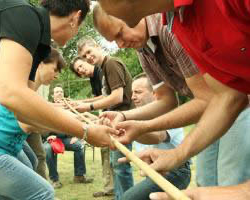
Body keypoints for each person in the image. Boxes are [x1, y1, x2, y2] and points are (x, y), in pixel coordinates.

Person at [0, 0, 117, 199]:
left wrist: (86, 123)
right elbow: (11, 93)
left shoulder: (38, 46)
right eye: (79, 26)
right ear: (74, 17)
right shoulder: (24, 16)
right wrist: (85, 131)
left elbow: (26, 111)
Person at [96, 1, 250, 198]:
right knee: (206, 182)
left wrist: (243, 192)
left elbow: (213, 98)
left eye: (120, 32)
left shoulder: (170, 31)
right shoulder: (174, 26)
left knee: (231, 179)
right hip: (220, 109)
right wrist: (126, 117)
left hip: (236, 109)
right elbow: (223, 96)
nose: (120, 44)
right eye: (113, 40)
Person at [0, 48, 65, 200]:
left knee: (31, 165)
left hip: (1, 153)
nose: (57, 75)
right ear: (40, 64)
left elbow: (48, 111)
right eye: (55, 69)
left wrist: (85, 116)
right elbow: (41, 125)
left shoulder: (30, 94)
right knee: (45, 193)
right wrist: (85, 130)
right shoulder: (22, 92)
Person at [71, 37, 134, 200]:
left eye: (89, 52)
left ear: (97, 46)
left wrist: (89, 107)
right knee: (117, 165)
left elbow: (118, 96)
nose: (88, 57)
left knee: (121, 167)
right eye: (84, 56)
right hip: (115, 120)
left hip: (123, 119)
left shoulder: (111, 63)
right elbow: (105, 97)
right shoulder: (104, 67)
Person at [119, 74, 191, 200]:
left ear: (155, 93)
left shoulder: (170, 114)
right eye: (132, 93)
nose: (132, 97)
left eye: (138, 92)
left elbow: (157, 136)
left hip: (174, 172)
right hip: (153, 172)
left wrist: (124, 130)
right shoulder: (137, 116)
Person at [70, 57, 114, 197]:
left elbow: (105, 97)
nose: (81, 70)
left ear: (87, 62)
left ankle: (116, 190)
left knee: (114, 155)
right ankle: (109, 188)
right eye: (78, 70)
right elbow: (98, 97)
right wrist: (81, 104)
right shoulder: (92, 77)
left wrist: (82, 103)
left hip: (113, 114)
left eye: (81, 66)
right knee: (105, 151)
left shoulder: (101, 71)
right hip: (104, 114)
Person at [43, 86, 94, 188]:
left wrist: (77, 135)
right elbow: (42, 124)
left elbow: (79, 121)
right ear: (53, 96)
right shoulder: (47, 107)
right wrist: (48, 136)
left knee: (79, 145)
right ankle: (54, 180)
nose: (59, 93)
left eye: (61, 92)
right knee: (47, 149)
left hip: (66, 138)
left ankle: (79, 176)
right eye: (57, 92)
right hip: (51, 138)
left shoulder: (69, 107)